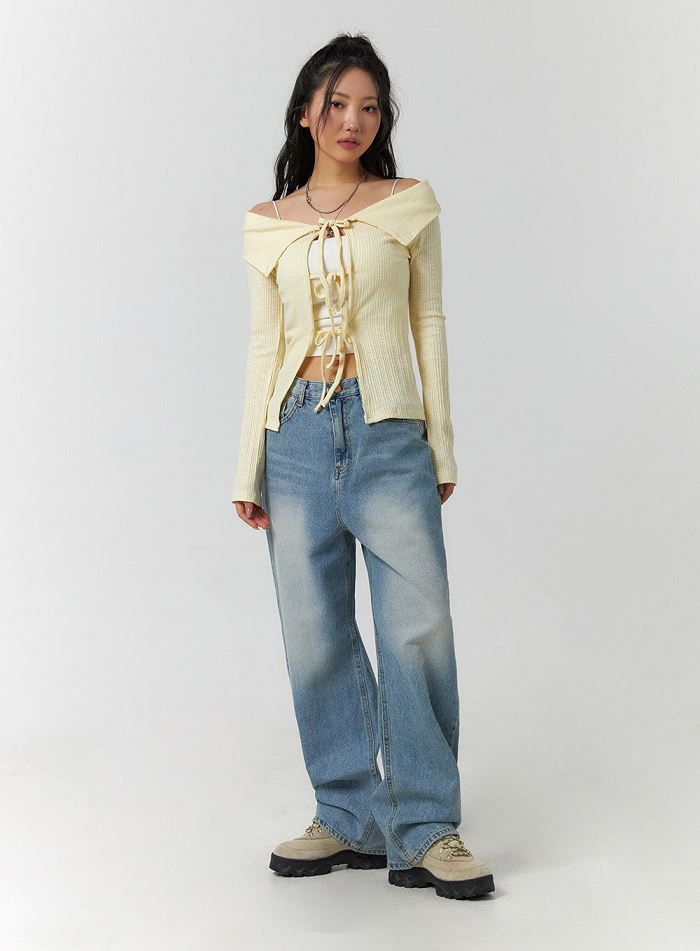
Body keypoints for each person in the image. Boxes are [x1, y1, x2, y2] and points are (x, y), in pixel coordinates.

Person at [230, 32, 495, 900]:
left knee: (418, 625)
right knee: (314, 633)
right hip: (295, 437)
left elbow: (429, 323)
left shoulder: (407, 205)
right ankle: (348, 815)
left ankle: (428, 825)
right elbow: (264, 344)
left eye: (370, 106)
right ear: (306, 113)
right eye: (337, 103)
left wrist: (440, 443)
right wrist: (247, 467)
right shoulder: (267, 223)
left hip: (387, 432)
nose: (354, 120)